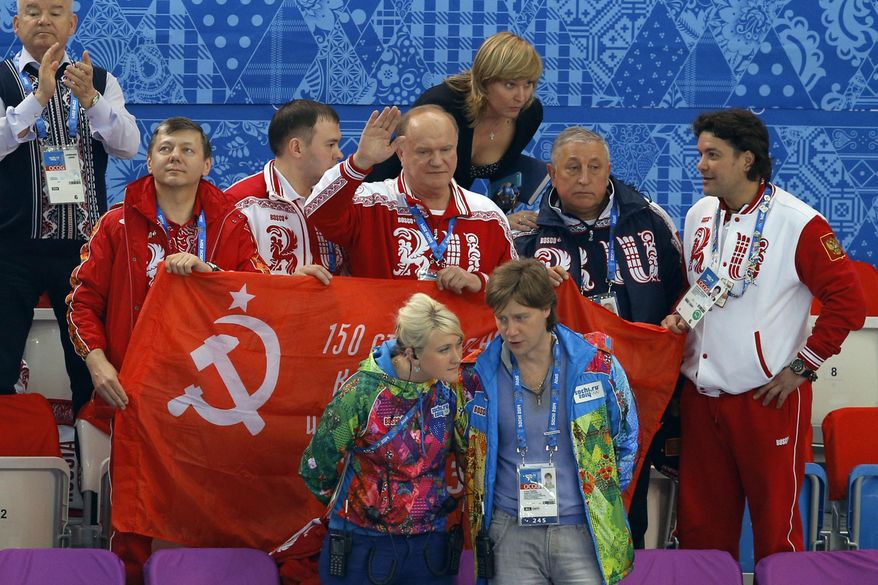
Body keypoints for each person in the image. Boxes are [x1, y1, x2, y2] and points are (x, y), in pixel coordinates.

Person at [66, 117, 267, 584]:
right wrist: (98, 362)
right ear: (150, 160)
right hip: (134, 394)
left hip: (208, 398)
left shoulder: (230, 225)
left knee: (211, 512)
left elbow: (258, 290)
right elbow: (81, 301)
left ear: (208, 163)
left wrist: (209, 270)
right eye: (165, 148)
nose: (175, 156)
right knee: (133, 521)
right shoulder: (116, 224)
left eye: (187, 150)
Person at [661, 109, 866, 563]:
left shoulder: (799, 223)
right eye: (700, 154)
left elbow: (848, 303)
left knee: (777, 530)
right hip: (701, 397)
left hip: (767, 400)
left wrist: (803, 366)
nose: (701, 165)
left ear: (747, 159)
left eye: (713, 155)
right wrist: (680, 316)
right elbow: (700, 286)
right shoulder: (699, 215)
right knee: (700, 531)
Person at [514, 126, 684, 547]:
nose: (585, 178)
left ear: (610, 169)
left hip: (631, 396)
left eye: (595, 167)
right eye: (572, 168)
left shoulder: (650, 220)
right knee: (549, 516)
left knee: (628, 510)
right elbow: (504, 315)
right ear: (553, 173)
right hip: (546, 402)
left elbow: (681, 294)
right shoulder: (524, 235)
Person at [0, 0, 139, 416]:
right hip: (10, 251)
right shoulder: (2, 78)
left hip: (83, 254)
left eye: (56, 11)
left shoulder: (97, 79)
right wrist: (38, 97)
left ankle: (91, 476)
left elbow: (128, 144)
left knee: (91, 370)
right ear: (16, 22)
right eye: (33, 10)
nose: (44, 19)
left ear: (73, 22)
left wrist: (93, 100)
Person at [461, 258, 638, 585]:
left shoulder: (597, 365)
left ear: (546, 309)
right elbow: (465, 448)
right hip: (510, 528)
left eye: (520, 318)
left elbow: (626, 436)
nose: (510, 331)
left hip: (583, 529)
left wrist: (603, 495)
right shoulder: (477, 376)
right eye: (501, 319)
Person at [300, 293, 467, 584]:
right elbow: (316, 465)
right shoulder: (361, 393)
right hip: (363, 543)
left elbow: (467, 452)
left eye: (459, 344)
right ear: (412, 353)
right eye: (444, 349)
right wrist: (364, 506)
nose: (457, 357)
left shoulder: (450, 389)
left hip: (430, 544)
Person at [305, 104, 515, 294]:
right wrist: (360, 162)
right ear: (401, 154)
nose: (437, 161)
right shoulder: (371, 201)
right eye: (424, 152)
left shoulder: (488, 214)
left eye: (446, 150)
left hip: (465, 336)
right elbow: (316, 211)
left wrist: (479, 282)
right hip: (384, 335)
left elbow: (517, 288)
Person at [367, 32, 544, 230]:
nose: (521, 96)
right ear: (484, 81)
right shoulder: (442, 105)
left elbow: (502, 178)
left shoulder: (529, 114)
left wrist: (498, 217)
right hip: (393, 210)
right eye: (510, 85)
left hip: (451, 219)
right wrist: (490, 220)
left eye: (528, 84)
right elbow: (389, 170)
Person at [225, 99, 346, 283]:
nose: (339, 154)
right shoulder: (240, 204)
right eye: (331, 144)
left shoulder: (339, 200)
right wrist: (287, 287)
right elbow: (224, 282)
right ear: (297, 148)